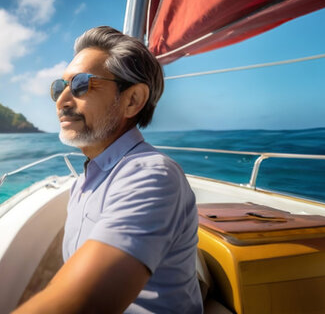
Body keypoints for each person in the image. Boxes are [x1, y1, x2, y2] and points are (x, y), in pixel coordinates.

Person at [15, 26, 202, 313]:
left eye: (81, 85)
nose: (62, 101)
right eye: (58, 87)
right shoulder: (85, 182)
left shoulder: (151, 176)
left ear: (132, 100)